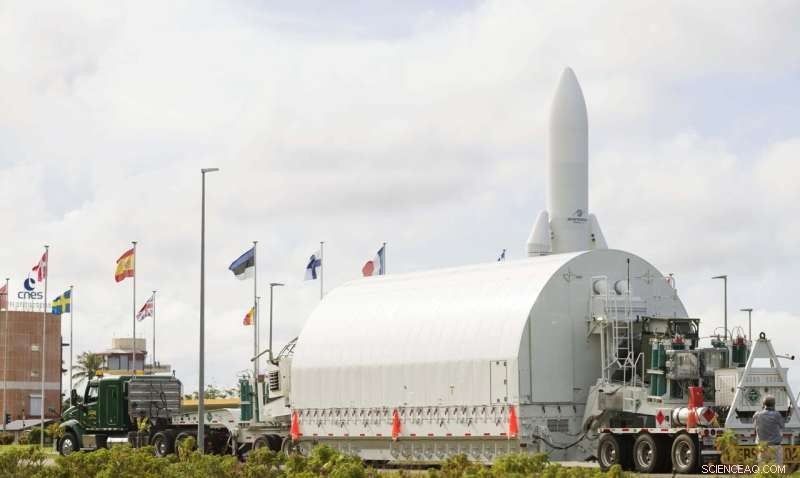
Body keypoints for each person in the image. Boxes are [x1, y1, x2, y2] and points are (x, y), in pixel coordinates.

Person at [754, 395, 785, 465]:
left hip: (762, 447)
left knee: (763, 469)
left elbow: (755, 426)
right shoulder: (777, 415)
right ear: (774, 404)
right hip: (775, 447)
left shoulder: (757, 415)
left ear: (763, 404)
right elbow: (782, 426)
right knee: (777, 469)